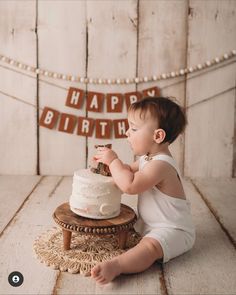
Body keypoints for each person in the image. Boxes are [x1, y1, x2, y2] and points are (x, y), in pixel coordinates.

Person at [91, 96, 195, 284]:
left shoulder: (161, 165)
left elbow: (130, 185)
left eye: (134, 128)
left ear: (158, 136)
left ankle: (118, 265)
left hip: (174, 230)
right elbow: (126, 171)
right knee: (126, 227)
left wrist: (113, 160)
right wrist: (109, 168)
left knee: (149, 248)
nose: (127, 133)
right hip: (150, 224)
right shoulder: (147, 159)